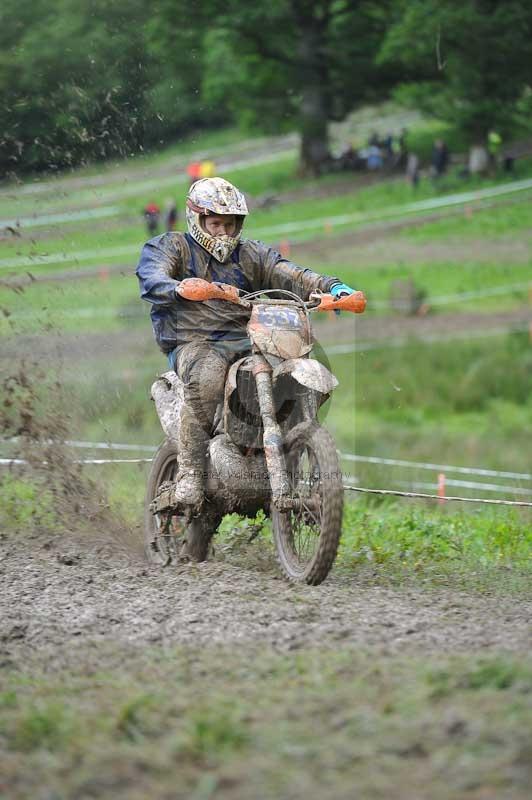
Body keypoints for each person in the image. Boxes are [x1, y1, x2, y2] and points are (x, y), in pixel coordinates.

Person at [136, 177, 357, 511]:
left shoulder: (250, 254)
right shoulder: (172, 247)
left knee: (296, 371)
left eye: (230, 224)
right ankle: (190, 477)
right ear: (197, 219)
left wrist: (334, 287)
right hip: (194, 341)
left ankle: (297, 449)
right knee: (209, 376)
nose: (223, 232)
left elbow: (288, 273)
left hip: (250, 338)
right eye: (215, 223)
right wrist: (180, 288)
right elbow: (152, 275)